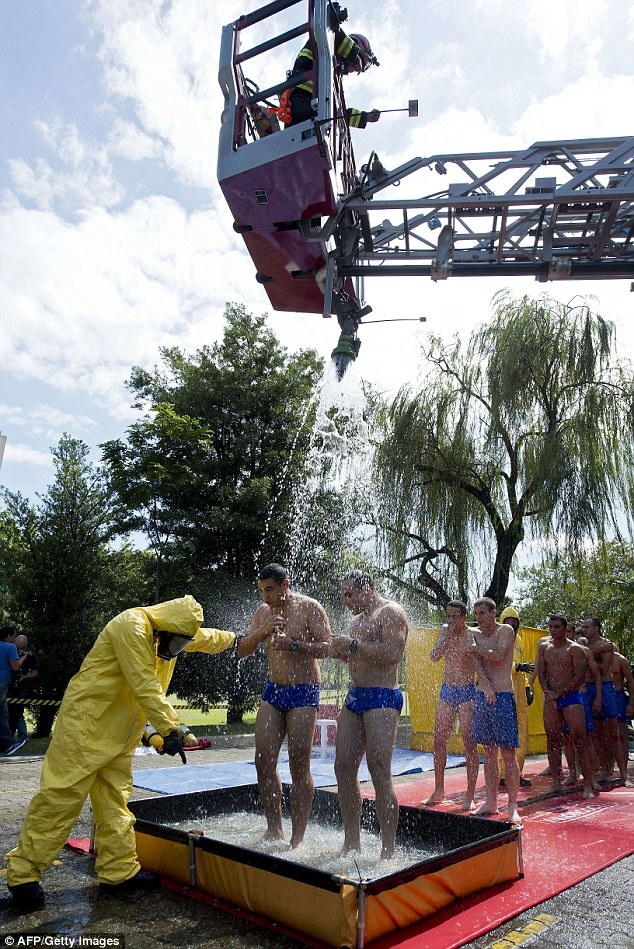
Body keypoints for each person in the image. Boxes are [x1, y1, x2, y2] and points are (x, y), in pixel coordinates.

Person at [6, 596, 235, 911]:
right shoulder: (132, 625)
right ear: (163, 627)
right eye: (176, 641)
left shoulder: (169, 634)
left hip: (116, 735)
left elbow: (207, 638)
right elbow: (144, 683)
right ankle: (23, 877)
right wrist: (171, 729)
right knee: (59, 800)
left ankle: (118, 872)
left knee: (115, 802)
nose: (177, 648)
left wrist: (240, 639)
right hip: (85, 728)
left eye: (183, 642)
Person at [237, 563, 332, 849]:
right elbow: (242, 650)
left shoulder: (309, 607)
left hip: (303, 691)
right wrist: (263, 631)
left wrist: (293, 644)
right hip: (274, 690)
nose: (265, 596)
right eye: (261, 591)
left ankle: (297, 839)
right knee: (263, 761)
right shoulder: (263, 612)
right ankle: (274, 829)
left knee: (298, 765)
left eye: (270, 590)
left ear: (285, 584)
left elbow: (327, 648)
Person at [330, 570, 408, 860]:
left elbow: (391, 654)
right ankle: (352, 843)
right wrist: (341, 652)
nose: (346, 601)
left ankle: (388, 852)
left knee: (379, 770)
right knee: (343, 768)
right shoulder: (356, 621)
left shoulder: (391, 612)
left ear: (367, 589)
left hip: (382, 696)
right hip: (356, 696)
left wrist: (352, 645)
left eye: (350, 594)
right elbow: (358, 655)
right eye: (343, 595)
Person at [466, 598, 520, 823]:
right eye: (476, 613)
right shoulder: (472, 633)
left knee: (507, 753)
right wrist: (486, 686)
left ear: (493, 612)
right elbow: (476, 663)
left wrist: (475, 649)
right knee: (488, 751)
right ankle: (491, 801)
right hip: (483, 695)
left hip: (504, 695)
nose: (478, 617)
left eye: (482, 613)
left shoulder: (505, 630)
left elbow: (498, 655)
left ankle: (513, 804)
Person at [424, 600, 479, 811]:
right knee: (439, 740)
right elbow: (434, 656)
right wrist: (446, 638)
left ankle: (470, 794)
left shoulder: (472, 634)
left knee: (469, 743)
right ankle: (438, 789)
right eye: (448, 616)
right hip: (448, 690)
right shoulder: (444, 631)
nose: (450, 620)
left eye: (455, 616)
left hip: (467, 691)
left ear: (464, 617)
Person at [536, 613, 595, 799]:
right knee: (552, 739)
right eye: (550, 627)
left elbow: (579, 677)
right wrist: (547, 691)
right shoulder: (544, 647)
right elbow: (541, 672)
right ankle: (556, 782)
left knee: (579, 739)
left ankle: (587, 784)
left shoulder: (575, 649)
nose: (553, 630)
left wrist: (559, 692)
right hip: (552, 697)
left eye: (557, 627)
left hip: (571, 697)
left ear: (565, 628)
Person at [285, 22, 380, 128]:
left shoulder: (333, 74)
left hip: (311, 109)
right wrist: (353, 55)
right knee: (324, 119)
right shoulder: (324, 43)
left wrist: (365, 117)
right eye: (356, 65)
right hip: (300, 101)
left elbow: (338, 114)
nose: (353, 70)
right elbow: (330, 29)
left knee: (327, 118)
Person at [579, 617, 630, 785]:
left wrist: (591, 655)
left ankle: (624, 774)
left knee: (615, 733)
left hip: (606, 687)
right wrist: (597, 651)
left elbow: (601, 669)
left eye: (587, 627)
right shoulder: (584, 643)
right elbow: (581, 661)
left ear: (596, 628)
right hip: (588, 687)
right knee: (597, 734)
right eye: (583, 627)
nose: (584, 629)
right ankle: (605, 769)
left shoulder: (607, 644)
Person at [497, 607, 534, 790]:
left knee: (521, 733)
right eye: (508, 622)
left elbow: (523, 668)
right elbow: (497, 663)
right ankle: (503, 775)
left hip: (519, 692)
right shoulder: (497, 638)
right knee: (505, 733)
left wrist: (527, 688)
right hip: (504, 690)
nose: (512, 626)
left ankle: (517, 774)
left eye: (515, 623)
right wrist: (517, 667)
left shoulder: (519, 640)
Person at [1, 626, 29, 757]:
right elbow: (15, 666)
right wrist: (23, 658)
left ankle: (7, 745)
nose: (15, 638)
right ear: (9, 636)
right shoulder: (10, 647)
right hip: (2, 682)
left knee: (3, 714)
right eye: (14, 636)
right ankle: (7, 744)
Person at [8, 634, 39, 742]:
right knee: (8, 712)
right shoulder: (10, 652)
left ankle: (22, 737)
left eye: (23, 648)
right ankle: (11, 736)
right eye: (18, 647)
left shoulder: (31, 656)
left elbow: (35, 672)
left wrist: (26, 677)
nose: (20, 650)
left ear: (26, 645)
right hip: (9, 686)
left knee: (19, 712)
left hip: (23, 687)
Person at [610, 651, 633, 777]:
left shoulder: (620, 659)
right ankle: (607, 767)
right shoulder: (596, 657)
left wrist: (631, 703)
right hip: (604, 695)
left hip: (618, 696)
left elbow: (630, 681)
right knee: (605, 734)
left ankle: (623, 768)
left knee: (622, 733)